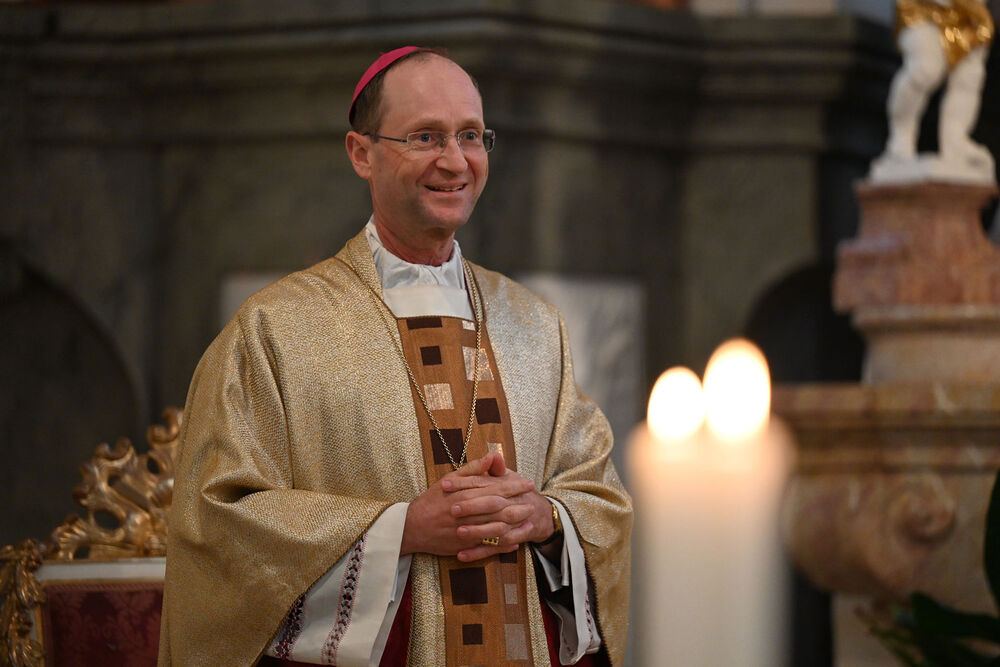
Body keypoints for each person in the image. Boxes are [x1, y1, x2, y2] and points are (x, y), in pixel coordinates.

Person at [158, 46, 632, 667]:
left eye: (470, 135)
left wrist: (544, 518)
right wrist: (402, 529)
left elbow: (599, 495)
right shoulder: (276, 328)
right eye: (425, 137)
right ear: (362, 154)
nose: (455, 161)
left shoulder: (535, 326)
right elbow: (218, 520)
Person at [872, 0, 994, 182]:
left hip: (967, 13)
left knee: (969, 73)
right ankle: (900, 138)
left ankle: (955, 142)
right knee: (926, 68)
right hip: (921, 8)